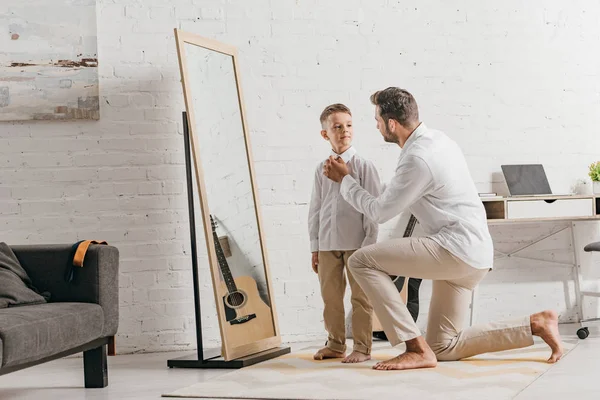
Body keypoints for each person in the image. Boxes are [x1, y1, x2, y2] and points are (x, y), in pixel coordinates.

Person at [323, 87, 563, 371]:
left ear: (391, 124)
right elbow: (396, 192)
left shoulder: (417, 158)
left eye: (377, 119)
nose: (375, 125)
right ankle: (535, 324)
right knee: (443, 346)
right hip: (474, 254)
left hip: (454, 248)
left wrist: (346, 182)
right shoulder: (438, 140)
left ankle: (413, 347)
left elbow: (379, 212)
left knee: (360, 260)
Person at [308, 103, 381, 363]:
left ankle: (362, 347)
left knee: (361, 297)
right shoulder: (321, 168)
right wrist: (315, 246)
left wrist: (369, 245)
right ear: (325, 133)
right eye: (337, 127)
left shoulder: (364, 166)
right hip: (328, 243)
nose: (344, 131)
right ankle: (335, 344)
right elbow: (316, 209)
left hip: (357, 244)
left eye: (348, 125)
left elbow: (373, 210)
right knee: (331, 298)